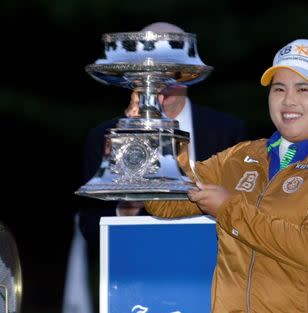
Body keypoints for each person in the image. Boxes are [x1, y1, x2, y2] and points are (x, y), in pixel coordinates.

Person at [144, 38, 308, 312]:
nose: (288, 100)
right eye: (279, 89)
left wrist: (229, 209)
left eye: (303, 89)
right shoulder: (240, 157)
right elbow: (163, 202)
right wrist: (148, 144)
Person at [74, 21, 248, 313]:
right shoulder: (107, 136)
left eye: (170, 68)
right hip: (135, 281)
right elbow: (90, 226)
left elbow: (246, 209)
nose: (159, 78)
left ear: (188, 71)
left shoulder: (228, 132)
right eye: (143, 68)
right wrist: (126, 198)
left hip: (213, 274)